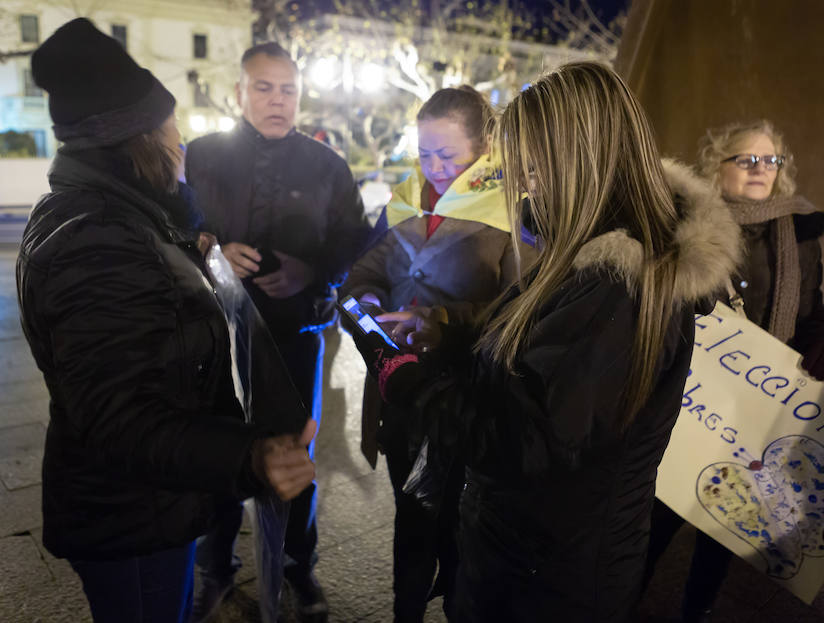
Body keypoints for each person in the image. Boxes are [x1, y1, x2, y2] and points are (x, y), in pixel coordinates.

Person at [353, 61, 740, 621]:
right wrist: (449, 336)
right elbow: (537, 366)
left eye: (534, 166)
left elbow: (519, 441)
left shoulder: (614, 286)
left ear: (580, 161)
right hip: (529, 555)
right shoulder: (584, 254)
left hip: (550, 579)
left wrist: (406, 379)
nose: (524, 183)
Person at [18, 19, 317, 623]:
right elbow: (123, 418)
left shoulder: (114, 216)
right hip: (131, 515)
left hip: (146, 499)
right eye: (169, 126)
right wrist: (250, 458)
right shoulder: (97, 240)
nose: (179, 140)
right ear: (138, 139)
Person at [185, 42, 371, 621]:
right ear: (239, 92)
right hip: (210, 336)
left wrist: (312, 272)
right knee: (214, 449)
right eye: (263, 88)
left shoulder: (327, 166)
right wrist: (209, 250)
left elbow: (355, 243)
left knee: (295, 453)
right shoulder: (200, 158)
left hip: (296, 334)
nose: (276, 100)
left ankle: (297, 566)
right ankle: (215, 568)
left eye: (287, 89)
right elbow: (172, 226)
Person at [341, 85, 536, 621]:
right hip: (400, 390)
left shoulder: (515, 212)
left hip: (466, 398)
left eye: (448, 153)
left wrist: (442, 322)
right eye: (425, 153)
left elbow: (520, 312)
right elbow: (362, 274)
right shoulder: (406, 200)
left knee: (460, 522)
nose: (435, 166)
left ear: (484, 145)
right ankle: (405, 607)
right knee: (410, 515)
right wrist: (369, 305)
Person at [643, 119, 824, 622]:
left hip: (751, 413)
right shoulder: (686, 224)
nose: (762, 170)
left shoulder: (800, 236)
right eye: (748, 160)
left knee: (726, 527)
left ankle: (697, 611)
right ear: (717, 167)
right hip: (687, 403)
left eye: (771, 160)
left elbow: (810, 319)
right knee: (652, 525)